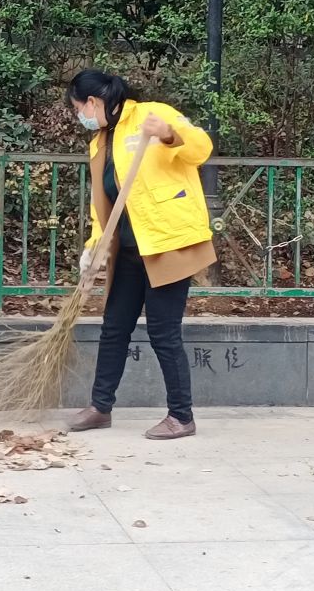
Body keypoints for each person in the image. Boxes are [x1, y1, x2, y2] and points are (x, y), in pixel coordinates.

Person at [64, 70, 215, 441]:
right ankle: (100, 407)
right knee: (114, 328)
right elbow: (104, 203)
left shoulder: (151, 113)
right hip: (129, 248)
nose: (79, 116)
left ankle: (181, 416)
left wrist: (169, 133)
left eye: (78, 108)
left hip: (168, 242)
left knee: (164, 332)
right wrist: (94, 245)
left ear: (93, 102)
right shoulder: (100, 143)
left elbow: (202, 149)